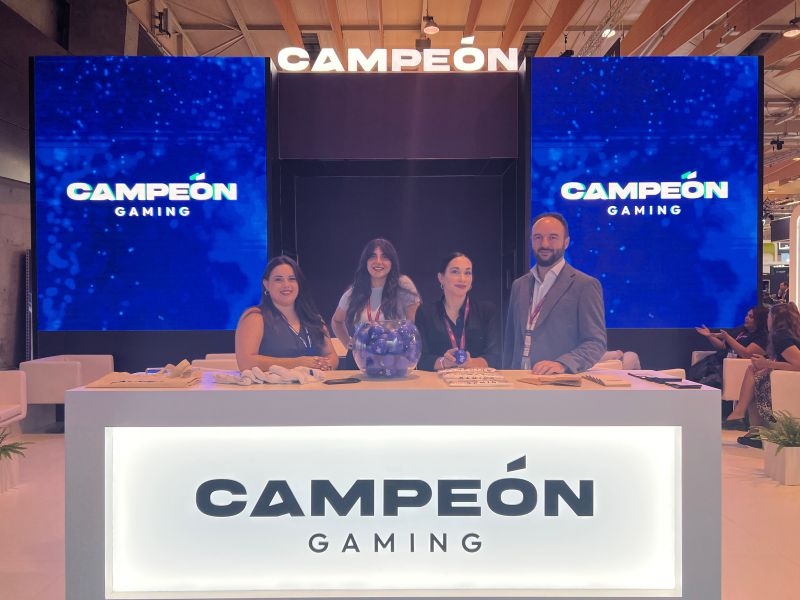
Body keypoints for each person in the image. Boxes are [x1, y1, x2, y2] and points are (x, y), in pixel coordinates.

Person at [503, 212, 606, 374]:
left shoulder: (585, 285)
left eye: (552, 237)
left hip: (557, 382)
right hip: (519, 380)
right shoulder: (519, 285)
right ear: (531, 241)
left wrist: (562, 364)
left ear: (566, 242)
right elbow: (510, 342)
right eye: (538, 237)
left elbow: (595, 343)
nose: (544, 244)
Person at [235, 256, 338, 371]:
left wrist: (325, 365)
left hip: (316, 382)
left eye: (292, 279)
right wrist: (298, 363)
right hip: (273, 383)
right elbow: (246, 363)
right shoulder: (255, 317)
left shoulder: (313, 318)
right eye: (278, 280)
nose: (286, 285)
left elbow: (331, 355)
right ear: (266, 284)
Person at [331, 238, 421, 369]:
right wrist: (348, 342)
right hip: (361, 362)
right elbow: (336, 321)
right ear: (366, 262)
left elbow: (414, 325)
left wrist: (409, 353)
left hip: (394, 360)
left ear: (392, 262)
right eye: (373, 256)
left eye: (384, 257)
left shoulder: (403, 285)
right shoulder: (355, 291)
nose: (378, 261)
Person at [723, 302, 800, 448]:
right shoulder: (790, 335)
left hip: (789, 383)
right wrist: (767, 365)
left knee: (755, 382)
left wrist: (768, 364)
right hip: (787, 380)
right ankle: (749, 425)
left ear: (775, 318)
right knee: (755, 373)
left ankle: (746, 420)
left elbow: (798, 364)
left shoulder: (781, 336)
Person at [415, 252, 501, 371]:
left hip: (477, 380)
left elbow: (495, 357)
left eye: (467, 273)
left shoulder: (486, 311)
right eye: (455, 272)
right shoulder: (425, 312)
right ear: (441, 278)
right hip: (438, 380)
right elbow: (419, 358)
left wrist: (471, 363)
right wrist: (443, 362)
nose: (462, 278)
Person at [688, 306, 768, 389]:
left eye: (751, 317)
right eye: (747, 315)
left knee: (707, 381)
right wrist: (709, 335)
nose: (746, 318)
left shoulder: (763, 337)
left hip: (734, 368)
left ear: (759, 320)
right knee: (695, 373)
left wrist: (727, 337)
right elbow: (722, 346)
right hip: (720, 362)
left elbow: (746, 354)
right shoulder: (741, 330)